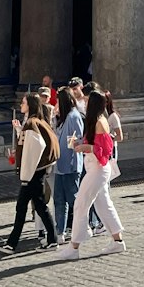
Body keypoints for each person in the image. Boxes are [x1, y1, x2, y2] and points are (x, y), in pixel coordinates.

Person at [56, 91, 125, 260]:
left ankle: (75, 246)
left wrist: (86, 148)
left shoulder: (100, 122)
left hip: (97, 169)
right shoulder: (96, 121)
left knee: (81, 203)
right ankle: (117, 241)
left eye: (87, 102)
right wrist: (82, 144)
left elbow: (105, 149)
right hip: (95, 167)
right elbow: (96, 144)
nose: (84, 104)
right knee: (103, 205)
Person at [0, 94, 58, 253]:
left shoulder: (32, 124)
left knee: (29, 206)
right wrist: (19, 130)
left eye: (23, 103)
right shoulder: (35, 122)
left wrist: (25, 174)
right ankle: (50, 239)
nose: (20, 105)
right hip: (34, 173)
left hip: (32, 174)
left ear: (29, 105)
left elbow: (33, 149)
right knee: (33, 206)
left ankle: (13, 244)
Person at [53, 87, 84, 242]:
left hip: (70, 164)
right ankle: (60, 231)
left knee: (73, 199)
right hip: (60, 165)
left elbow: (78, 138)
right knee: (59, 199)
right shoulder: (63, 117)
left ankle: (82, 227)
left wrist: (68, 146)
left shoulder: (73, 116)